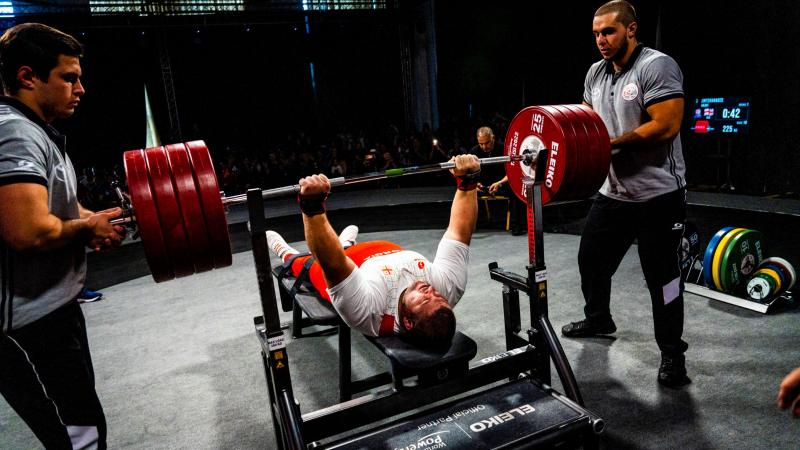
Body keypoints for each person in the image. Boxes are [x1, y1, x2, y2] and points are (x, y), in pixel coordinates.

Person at [0, 23, 125, 449]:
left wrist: (90, 220)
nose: (80, 88)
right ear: (27, 77)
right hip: (28, 328)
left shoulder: (35, 131)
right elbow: (27, 231)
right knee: (80, 440)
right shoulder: (13, 131)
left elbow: (54, 213)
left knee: (88, 430)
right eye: (68, 78)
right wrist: (86, 227)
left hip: (52, 314)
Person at [560, 0, 691, 388]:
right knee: (590, 262)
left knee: (663, 279)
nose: (601, 40)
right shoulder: (595, 73)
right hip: (613, 194)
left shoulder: (656, 66)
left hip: (659, 197)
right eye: (597, 33)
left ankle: (672, 353)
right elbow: (583, 123)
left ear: (631, 30)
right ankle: (599, 318)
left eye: (609, 32)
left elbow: (666, 125)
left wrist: (610, 145)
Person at [267, 154, 481, 346]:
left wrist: (312, 206)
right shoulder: (450, 288)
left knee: (307, 264)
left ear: (406, 321)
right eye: (439, 296)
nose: (430, 290)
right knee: (338, 251)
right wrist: (468, 182)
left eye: (425, 299)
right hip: (383, 252)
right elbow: (458, 233)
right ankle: (344, 243)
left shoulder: (370, 313)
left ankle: (286, 252)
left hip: (351, 266)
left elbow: (333, 263)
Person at [468, 127, 527, 235]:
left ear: (493, 138)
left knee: (516, 189)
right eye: (481, 144)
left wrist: (500, 183)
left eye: (487, 143)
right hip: (483, 186)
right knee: (466, 190)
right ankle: (469, 225)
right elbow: (469, 173)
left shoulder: (505, 149)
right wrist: (474, 183)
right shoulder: (474, 152)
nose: (484, 147)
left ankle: (516, 225)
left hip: (502, 184)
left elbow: (514, 172)